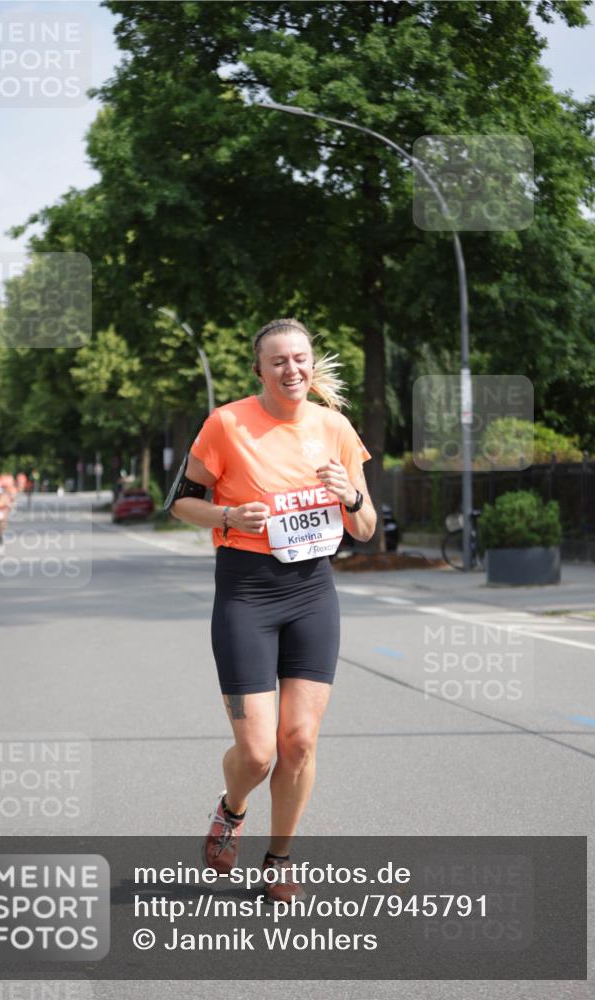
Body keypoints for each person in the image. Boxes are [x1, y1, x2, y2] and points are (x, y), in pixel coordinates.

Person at [171, 317, 376, 902]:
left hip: (312, 594)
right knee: (259, 753)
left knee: (300, 742)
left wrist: (350, 495)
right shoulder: (227, 424)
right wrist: (229, 516)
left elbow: (365, 528)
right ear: (259, 369)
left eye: (301, 358)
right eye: (279, 360)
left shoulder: (335, 428)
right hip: (247, 594)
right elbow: (181, 503)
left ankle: (279, 858)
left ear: (312, 365)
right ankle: (232, 809)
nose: (292, 369)